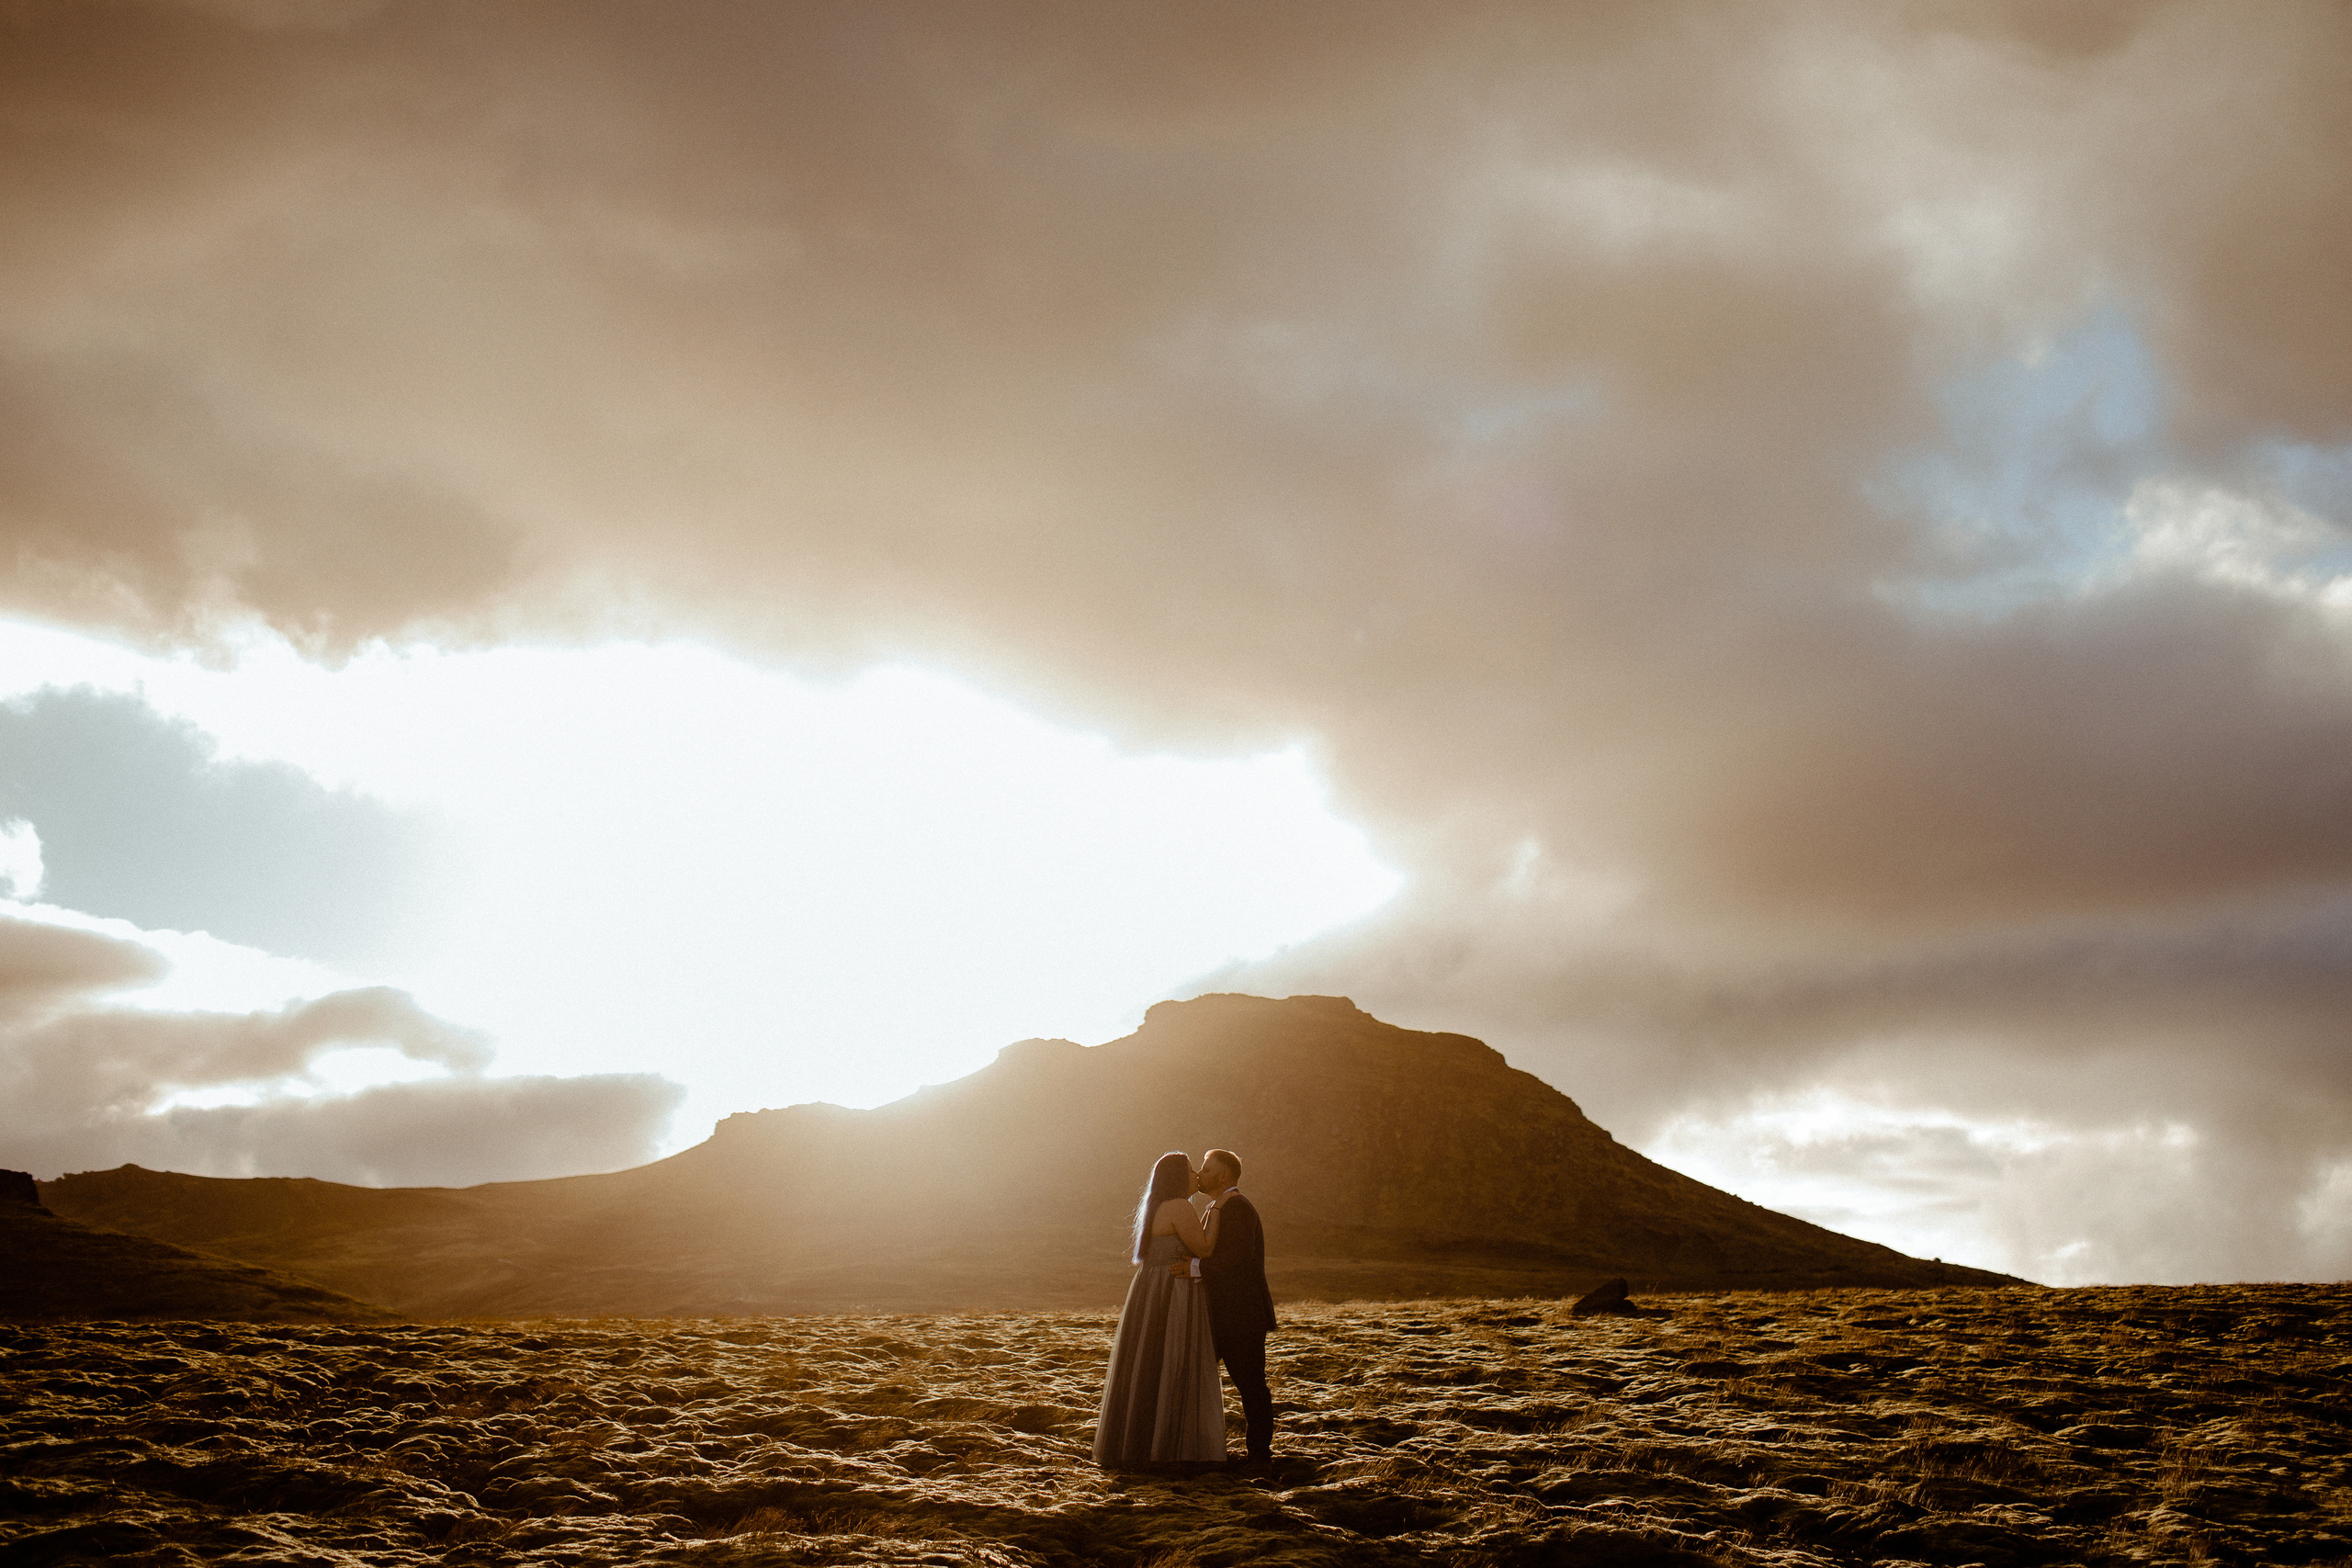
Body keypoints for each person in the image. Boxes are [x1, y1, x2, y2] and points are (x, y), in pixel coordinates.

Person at [1092, 1151, 1225, 1468]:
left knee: (1148, 1362)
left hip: (1150, 1288)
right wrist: (1218, 1209)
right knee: (1173, 1360)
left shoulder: (1157, 1206)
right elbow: (1205, 1248)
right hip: (1172, 1291)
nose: (1196, 1176)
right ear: (1179, 1177)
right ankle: (1171, 1448)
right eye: (1191, 1170)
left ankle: (1142, 1443)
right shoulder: (1180, 1206)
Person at [1188, 1148, 1276, 1464]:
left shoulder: (1237, 1207)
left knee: (1251, 1384)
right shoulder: (1217, 1206)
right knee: (1197, 1379)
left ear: (1224, 1176)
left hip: (1242, 1316)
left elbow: (1237, 1259)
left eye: (1207, 1169)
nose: (1200, 1174)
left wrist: (1194, 1268)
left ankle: (1260, 1455)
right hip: (1221, 1316)